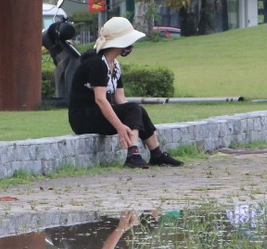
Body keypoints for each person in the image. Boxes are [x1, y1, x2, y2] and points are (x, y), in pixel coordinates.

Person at [68, 16, 183, 169]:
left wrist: (131, 119)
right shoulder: (97, 64)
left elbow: (120, 99)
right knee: (133, 109)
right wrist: (120, 127)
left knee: (137, 110)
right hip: (84, 118)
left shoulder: (114, 65)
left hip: (99, 114)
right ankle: (133, 153)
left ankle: (156, 153)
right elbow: (100, 99)